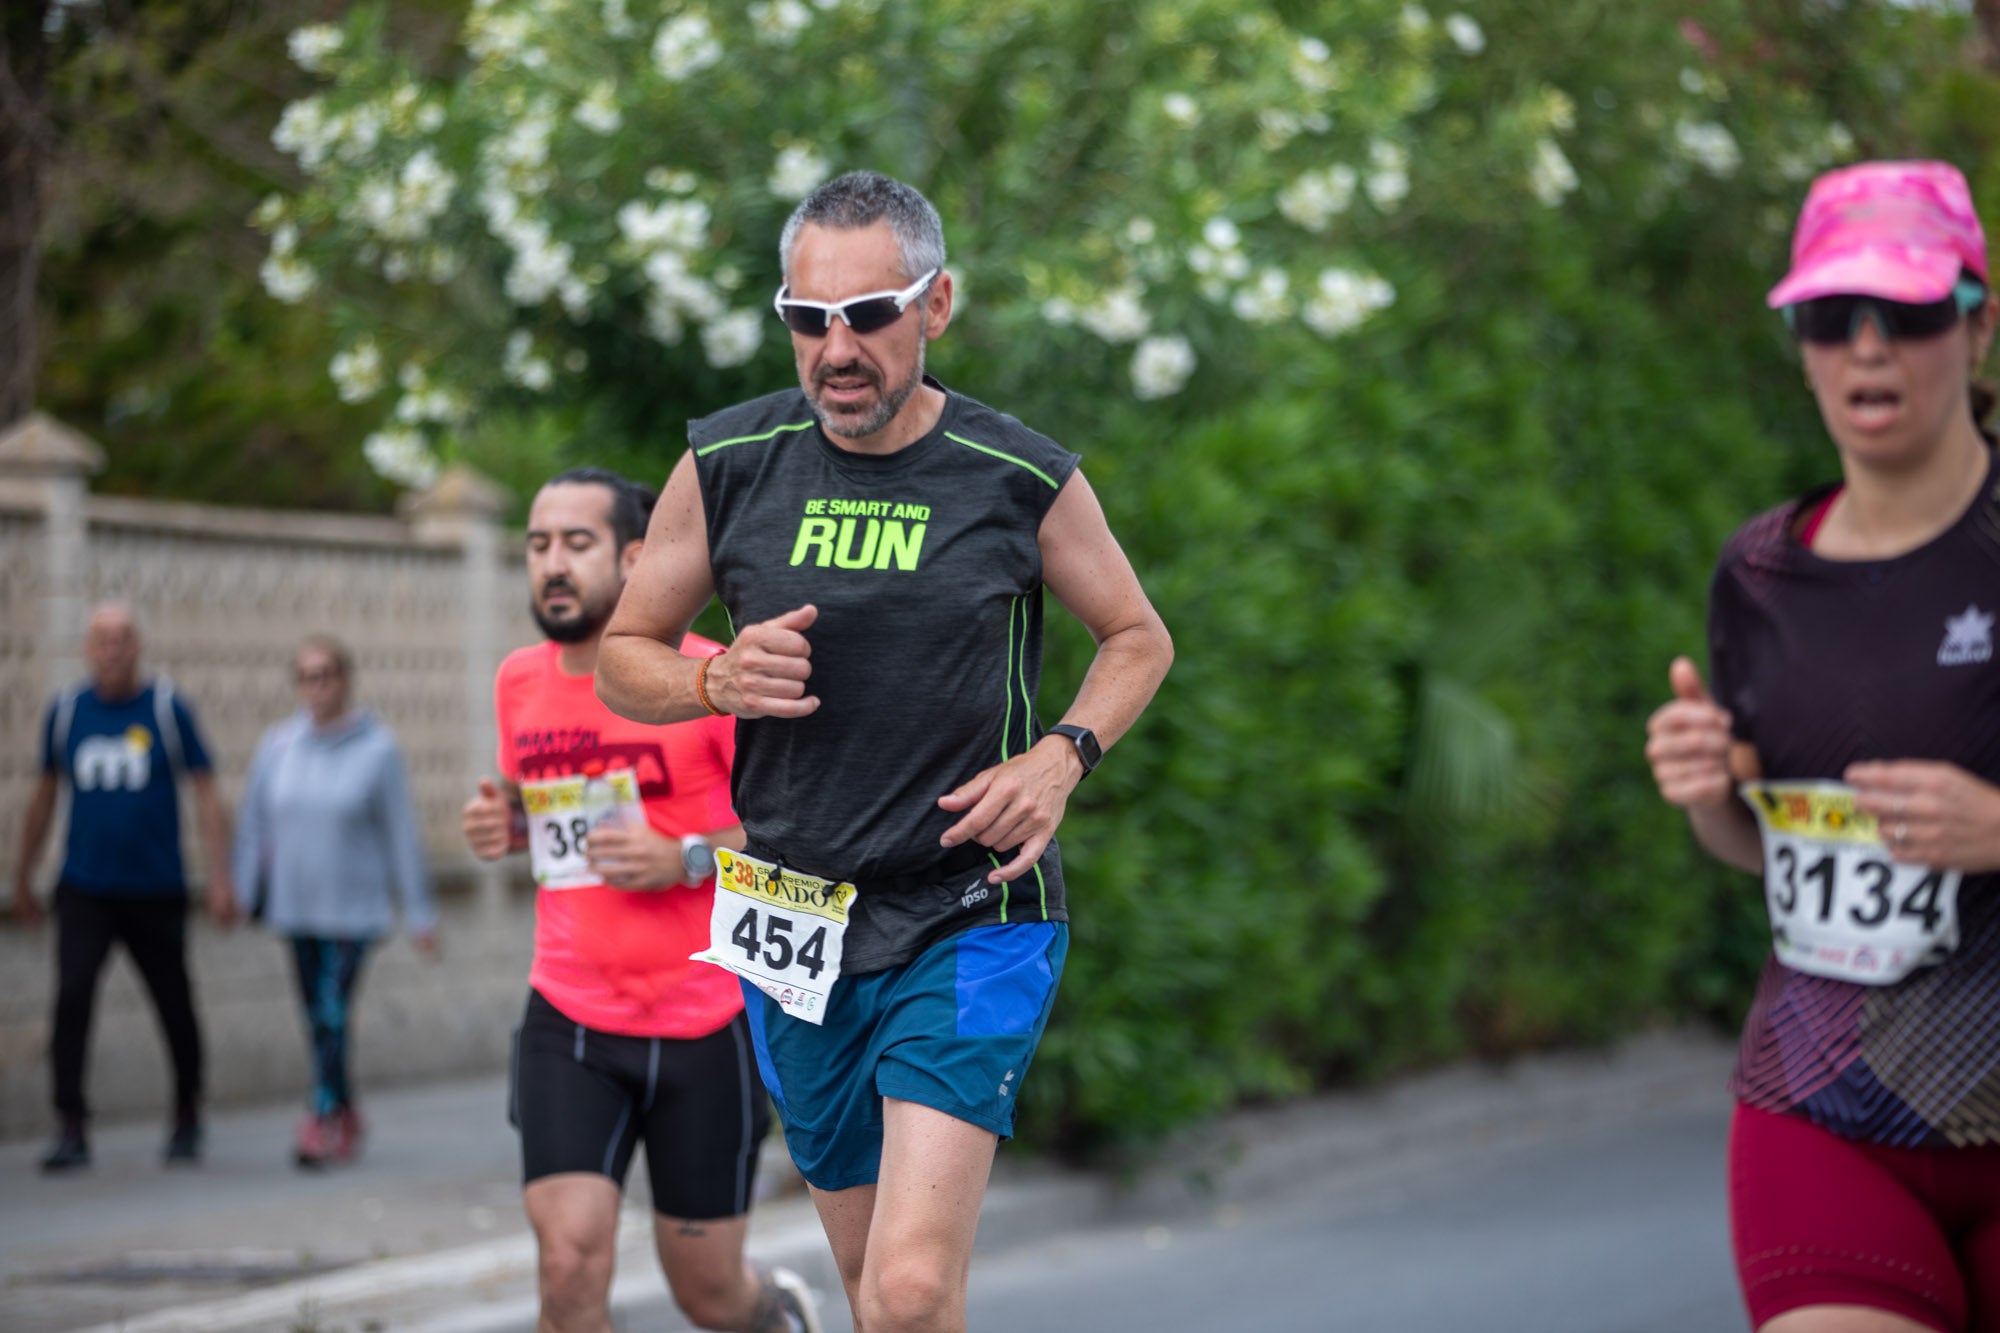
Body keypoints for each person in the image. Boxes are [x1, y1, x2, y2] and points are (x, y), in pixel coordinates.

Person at [595, 170, 1175, 1333]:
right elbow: (623, 650)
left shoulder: (1015, 476)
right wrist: (710, 677)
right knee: (873, 1295)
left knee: (909, 1294)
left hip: (970, 910)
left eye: (867, 313)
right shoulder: (730, 463)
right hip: (794, 918)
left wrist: (1060, 754)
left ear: (936, 304)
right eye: (807, 320)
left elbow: (1136, 636)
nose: (836, 347)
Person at [1645, 160, 2000, 1333]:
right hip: (1820, 1102)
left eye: (1903, 314)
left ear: (1976, 322)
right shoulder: (1758, 572)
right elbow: (1765, 848)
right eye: (1826, 317)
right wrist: (1709, 793)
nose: (1864, 350)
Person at [461, 467, 819, 1333]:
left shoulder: (713, 680)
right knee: (569, 1262)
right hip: (571, 1012)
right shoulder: (519, 679)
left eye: (575, 543)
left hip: (704, 1018)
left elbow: (801, 837)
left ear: (633, 558)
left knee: (707, 1293)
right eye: (538, 544)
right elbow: (539, 807)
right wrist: (504, 823)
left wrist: (686, 855)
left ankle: (778, 1313)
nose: (551, 563)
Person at [11, 601, 237, 1171]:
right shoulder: (67, 713)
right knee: (73, 999)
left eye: (122, 639)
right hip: (84, 888)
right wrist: (22, 873)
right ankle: (70, 1123)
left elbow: (207, 793)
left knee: (174, 1003)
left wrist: (221, 877)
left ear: (137, 647)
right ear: (88, 650)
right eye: (101, 640)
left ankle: (187, 1113)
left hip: (155, 888)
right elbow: (43, 796)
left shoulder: (165, 709)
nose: (112, 650)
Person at [232, 634, 439, 1168]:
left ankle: (320, 1119)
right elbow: (255, 824)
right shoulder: (277, 745)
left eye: (325, 674)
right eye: (306, 676)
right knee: (317, 1018)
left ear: (344, 679)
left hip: (353, 912)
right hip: (295, 908)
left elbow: (400, 834)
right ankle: (345, 1107)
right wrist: (239, 886)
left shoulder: (378, 748)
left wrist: (420, 912)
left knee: (332, 1011)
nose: (316, 686)